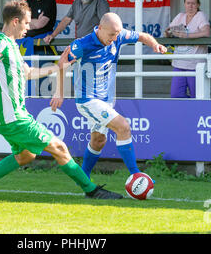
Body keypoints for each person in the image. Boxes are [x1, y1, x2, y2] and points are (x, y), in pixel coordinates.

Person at [0, 0, 123, 200]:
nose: (28, 27)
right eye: (27, 23)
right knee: (59, 148)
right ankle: (92, 190)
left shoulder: (11, 45)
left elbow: (29, 72)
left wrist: (59, 67)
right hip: (13, 118)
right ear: (15, 21)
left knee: (26, 155)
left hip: (10, 117)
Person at [50, 13, 167, 180]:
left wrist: (155, 45)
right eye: (111, 34)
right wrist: (59, 92)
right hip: (88, 100)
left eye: (117, 34)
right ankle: (136, 176)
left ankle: (83, 179)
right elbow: (62, 63)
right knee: (123, 126)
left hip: (106, 100)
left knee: (98, 140)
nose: (114, 38)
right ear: (100, 27)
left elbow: (142, 36)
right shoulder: (82, 44)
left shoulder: (118, 36)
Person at [164, 0, 210, 98]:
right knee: (176, 95)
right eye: (188, 3)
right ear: (184, 4)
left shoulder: (200, 16)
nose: (190, 6)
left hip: (195, 64)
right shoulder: (180, 16)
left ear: (198, 5)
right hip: (179, 63)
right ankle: (187, 112)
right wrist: (168, 32)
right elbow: (168, 31)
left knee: (197, 96)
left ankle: (197, 113)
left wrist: (187, 36)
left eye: (193, 3)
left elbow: (206, 32)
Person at [43, 0, 109, 47]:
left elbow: (107, 23)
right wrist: (52, 35)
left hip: (96, 45)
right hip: (81, 44)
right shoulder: (76, 3)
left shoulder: (100, 2)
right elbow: (66, 20)